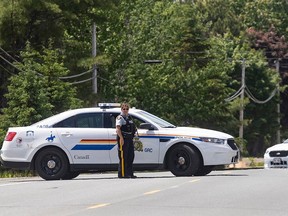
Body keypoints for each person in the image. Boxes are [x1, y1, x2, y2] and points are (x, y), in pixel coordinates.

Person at [116, 102, 137, 178]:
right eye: (124, 109)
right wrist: (121, 138)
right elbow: (118, 129)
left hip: (129, 138)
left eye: (127, 109)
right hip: (123, 138)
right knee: (123, 157)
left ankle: (129, 173)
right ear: (121, 109)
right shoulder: (120, 118)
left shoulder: (129, 117)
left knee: (130, 156)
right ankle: (123, 174)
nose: (125, 110)